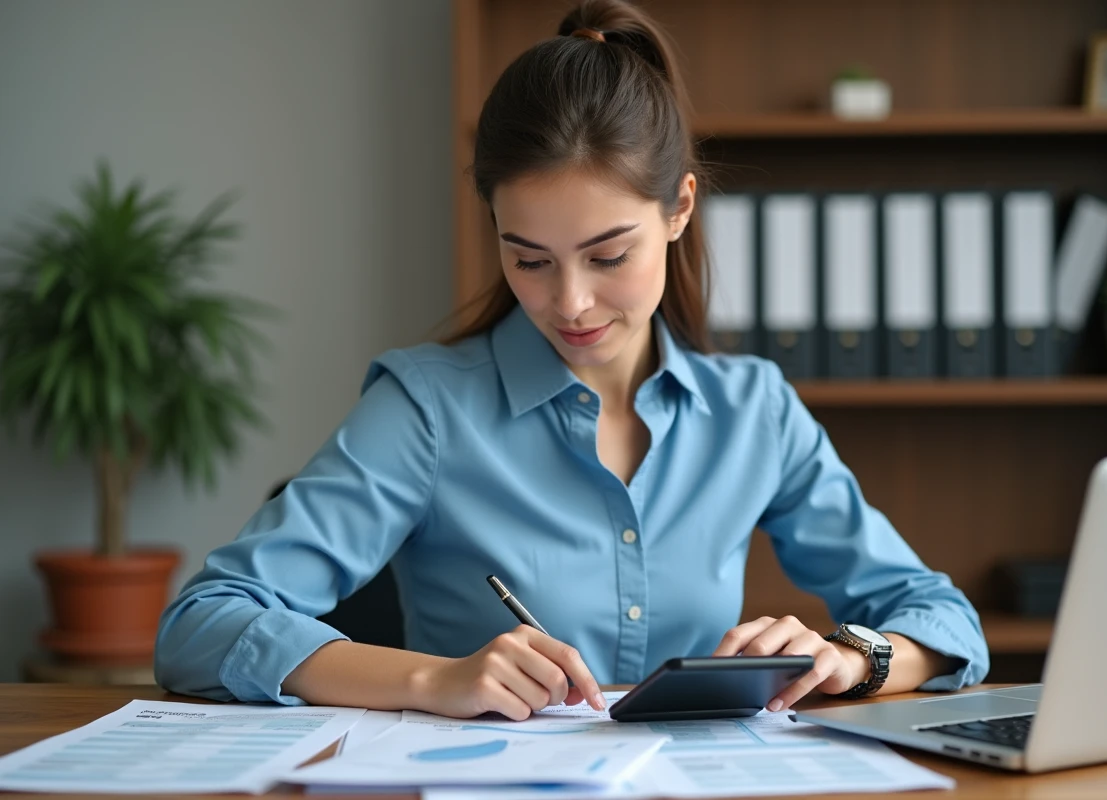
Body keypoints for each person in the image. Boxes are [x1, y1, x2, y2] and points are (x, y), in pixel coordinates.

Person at [155, 0, 988, 721]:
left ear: (679, 209)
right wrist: (432, 678)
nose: (571, 303)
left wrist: (854, 659)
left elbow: (941, 620)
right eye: (530, 259)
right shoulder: (427, 407)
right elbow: (204, 622)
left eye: (608, 255)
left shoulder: (753, 412)